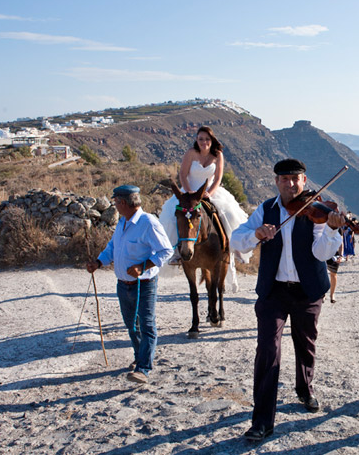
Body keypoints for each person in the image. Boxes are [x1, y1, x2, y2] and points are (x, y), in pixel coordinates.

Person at [231, 159, 345, 441]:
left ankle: (305, 390)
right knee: (267, 350)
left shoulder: (316, 210)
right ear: (276, 181)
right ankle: (261, 421)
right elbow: (237, 238)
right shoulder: (266, 209)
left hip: (308, 290)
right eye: (284, 179)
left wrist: (331, 230)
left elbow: (321, 253)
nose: (290, 184)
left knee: (306, 344)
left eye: (296, 179)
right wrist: (256, 234)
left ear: (304, 181)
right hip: (274, 291)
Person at [86, 185, 174, 384]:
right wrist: (99, 262)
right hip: (123, 284)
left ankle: (143, 368)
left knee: (147, 324)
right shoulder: (122, 223)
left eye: (116, 202)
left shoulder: (148, 222)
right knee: (131, 325)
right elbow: (112, 248)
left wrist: (143, 266)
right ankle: (139, 357)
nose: (115, 205)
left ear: (123, 202)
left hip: (144, 283)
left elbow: (166, 251)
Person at [158, 126, 250, 286]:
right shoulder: (190, 153)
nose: (204, 142)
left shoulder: (218, 155)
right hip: (190, 191)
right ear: (196, 140)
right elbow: (183, 175)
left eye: (207, 139)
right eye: (200, 139)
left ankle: (233, 249)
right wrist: (189, 192)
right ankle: (175, 253)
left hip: (210, 192)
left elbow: (218, 177)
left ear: (211, 140)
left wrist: (210, 192)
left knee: (228, 213)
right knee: (172, 217)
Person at [326, 236, 344, 304]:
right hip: (323, 253)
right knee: (322, 274)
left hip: (335, 254)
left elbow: (341, 243)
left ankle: (332, 294)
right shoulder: (323, 226)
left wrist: (341, 255)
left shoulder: (339, 228)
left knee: (333, 274)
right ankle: (323, 294)